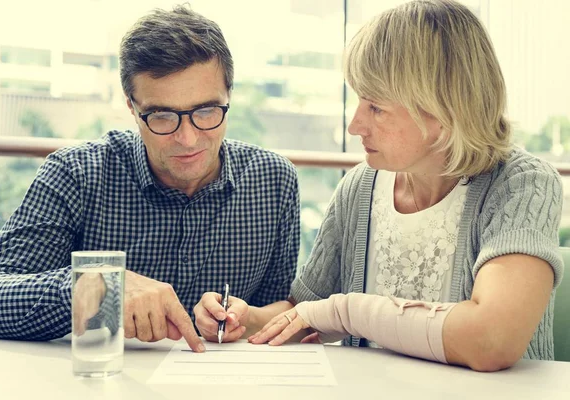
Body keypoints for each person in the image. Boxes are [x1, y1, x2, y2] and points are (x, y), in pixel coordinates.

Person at [196, 0, 564, 371]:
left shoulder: (522, 185)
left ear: (443, 108)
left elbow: (491, 341)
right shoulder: (360, 185)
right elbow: (305, 310)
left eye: (376, 107)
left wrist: (348, 311)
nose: (355, 125)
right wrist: (244, 320)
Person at [0, 6, 300, 352]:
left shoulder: (274, 182)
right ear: (131, 106)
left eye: (206, 111)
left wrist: (242, 318)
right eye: (161, 116)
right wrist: (97, 288)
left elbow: (275, 311)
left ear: (229, 95)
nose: (187, 139)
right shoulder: (77, 174)